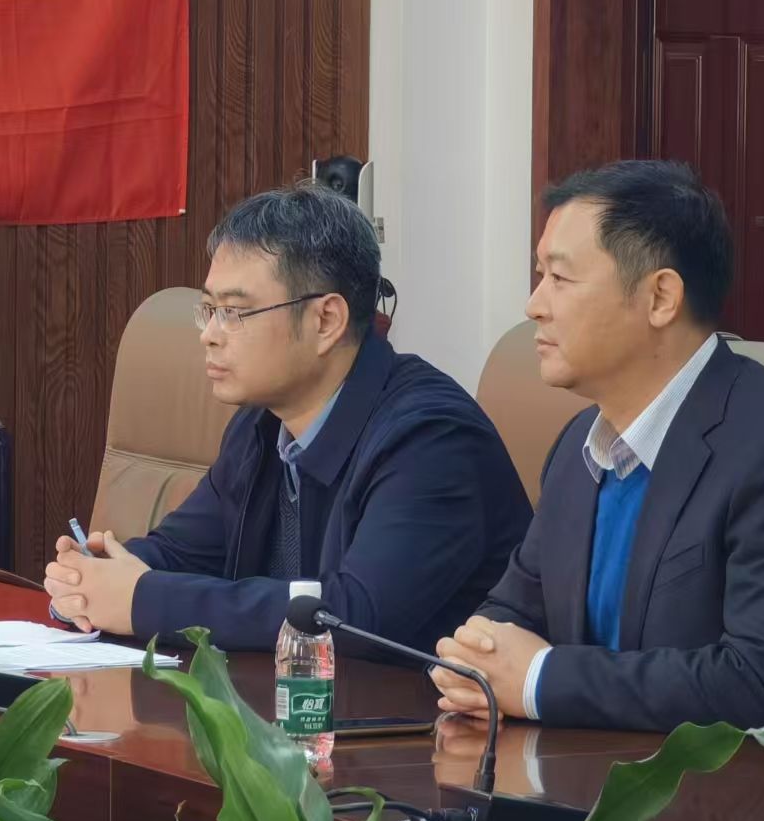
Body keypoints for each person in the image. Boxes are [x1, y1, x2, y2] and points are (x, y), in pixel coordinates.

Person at [431, 160, 764, 758]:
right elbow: (510, 613)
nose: (534, 304)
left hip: (756, 799)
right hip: (586, 783)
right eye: (539, 276)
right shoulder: (579, 446)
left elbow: (761, 682)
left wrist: (540, 680)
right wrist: (474, 664)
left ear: (661, 297)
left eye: (559, 278)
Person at [44, 183, 532, 652]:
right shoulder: (261, 424)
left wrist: (143, 600)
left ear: (326, 320)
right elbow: (185, 552)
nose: (209, 335)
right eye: (209, 309)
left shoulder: (432, 440)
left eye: (234, 312)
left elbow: (353, 616)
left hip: (413, 707)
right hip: (294, 698)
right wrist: (97, 575)